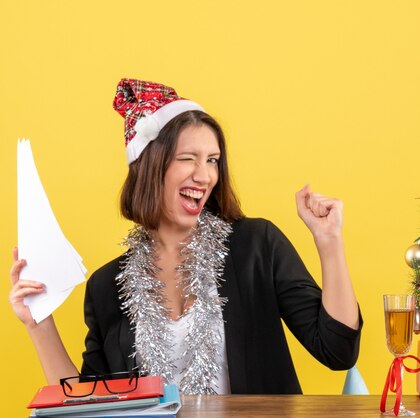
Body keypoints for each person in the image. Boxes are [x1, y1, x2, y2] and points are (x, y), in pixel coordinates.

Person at [9, 79, 362, 395]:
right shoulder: (107, 287)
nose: (204, 175)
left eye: (212, 160)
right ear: (149, 166)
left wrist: (329, 243)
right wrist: (38, 322)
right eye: (188, 158)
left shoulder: (255, 245)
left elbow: (337, 351)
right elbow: (87, 405)